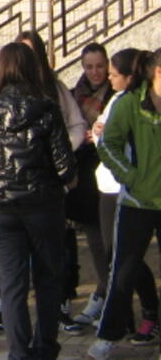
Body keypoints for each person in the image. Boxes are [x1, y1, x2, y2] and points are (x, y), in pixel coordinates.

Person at [0, 42, 76, 360]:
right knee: (48, 278)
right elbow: (64, 165)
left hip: (0, 206)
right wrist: (67, 180)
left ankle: (18, 351)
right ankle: (45, 347)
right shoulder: (45, 107)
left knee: (12, 282)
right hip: (42, 204)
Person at [88, 48, 161, 360]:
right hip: (137, 200)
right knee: (122, 268)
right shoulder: (130, 102)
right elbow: (108, 143)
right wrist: (129, 175)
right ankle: (108, 336)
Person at [14, 31, 87, 325]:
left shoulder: (53, 88)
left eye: (32, 52)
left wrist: (60, 156)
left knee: (56, 248)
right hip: (15, 185)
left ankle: (62, 304)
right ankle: (6, 309)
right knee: (13, 251)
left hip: (50, 183)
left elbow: (76, 125)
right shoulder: (3, 89)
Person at [62, 43, 112, 331]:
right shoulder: (73, 94)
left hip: (106, 170)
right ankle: (101, 293)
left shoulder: (117, 94)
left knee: (109, 241)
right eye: (89, 66)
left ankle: (106, 295)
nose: (95, 72)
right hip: (83, 174)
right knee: (93, 237)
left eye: (99, 66)